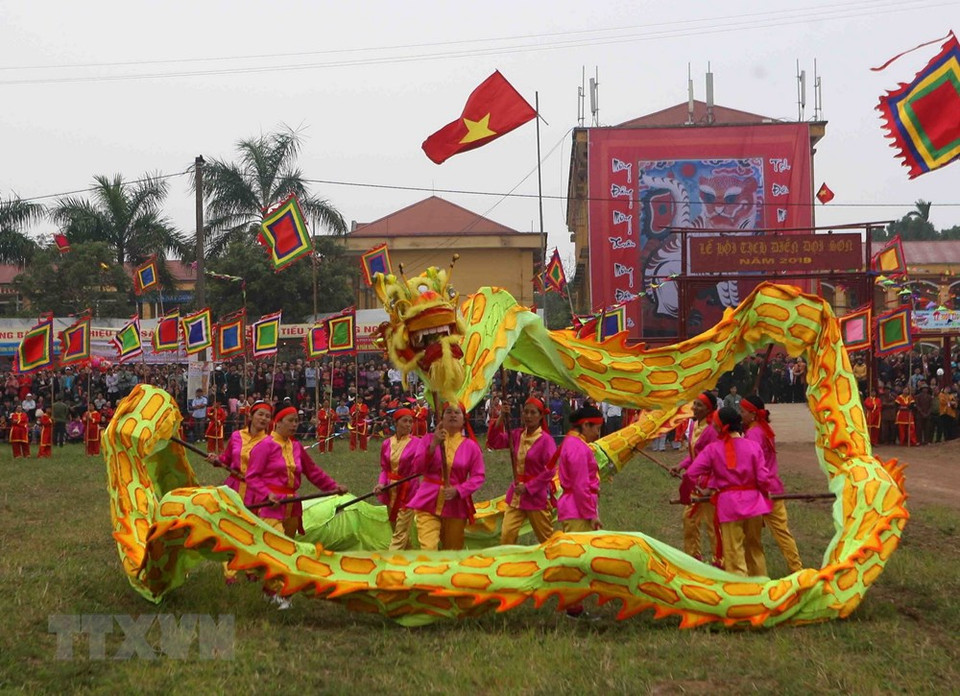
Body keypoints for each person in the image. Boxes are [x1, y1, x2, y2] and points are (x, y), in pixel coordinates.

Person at [245, 406, 348, 609]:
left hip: (292, 507)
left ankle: (270, 590)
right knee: (279, 549)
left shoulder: (296, 446)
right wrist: (267, 494)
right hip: (270, 506)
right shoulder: (264, 445)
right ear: (278, 422)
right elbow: (252, 476)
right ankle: (282, 592)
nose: (294, 425)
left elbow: (313, 472)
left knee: (287, 548)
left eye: (296, 421)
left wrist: (333, 487)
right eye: (290, 421)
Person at [686, 407, 773, 577]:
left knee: (734, 551)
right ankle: (761, 584)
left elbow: (690, 474)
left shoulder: (713, 449)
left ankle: (740, 588)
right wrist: (765, 494)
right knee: (755, 548)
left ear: (720, 426)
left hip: (730, 506)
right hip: (755, 505)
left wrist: (686, 493)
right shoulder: (753, 446)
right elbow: (763, 478)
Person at [406, 402, 485, 551]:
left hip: (456, 505)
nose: (453, 415)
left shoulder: (471, 447)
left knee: (452, 551)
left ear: (464, 419)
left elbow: (478, 476)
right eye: (448, 412)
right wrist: (433, 444)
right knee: (428, 548)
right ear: (441, 418)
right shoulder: (428, 439)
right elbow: (417, 468)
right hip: (428, 500)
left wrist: (459, 490)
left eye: (457, 412)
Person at [209, 400, 273, 584]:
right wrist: (217, 460)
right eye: (260, 414)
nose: (264, 418)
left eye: (267, 416)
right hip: (234, 488)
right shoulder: (236, 436)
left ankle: (251, 567)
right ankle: (230, 572)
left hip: (256, 491)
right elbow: (226, 459)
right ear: (251, 416)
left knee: (252, 531)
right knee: (231, 529)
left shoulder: (270, 442)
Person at [739, 395, 802, 573]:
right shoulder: (763, 429)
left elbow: (751, 464)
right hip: (773, 486)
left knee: (751, 536)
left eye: (742, 411)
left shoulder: (753, 434)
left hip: (760, 490)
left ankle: (754, 572)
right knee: (782, 532)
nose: (740, 414)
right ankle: (796, 569)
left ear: (752, 414)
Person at [555, 403, 604, 619]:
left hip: (575, 507)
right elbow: (580, 485)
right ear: (585, 426)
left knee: (578, 558)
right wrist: (591, 514)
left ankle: (575, 603)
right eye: (596, 429)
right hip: (577, 510)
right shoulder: (577, 447)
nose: (598, 434)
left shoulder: (573, 443)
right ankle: (573, 608)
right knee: (577, 560)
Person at [488, 397, 558, 545]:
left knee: (546, 540)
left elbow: (550, 471)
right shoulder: (517, 435)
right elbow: (494, 442)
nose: (528, 416)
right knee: (507, 535)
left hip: (536, 496)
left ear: (540, 416)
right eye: (526, 412)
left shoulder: (546, 440)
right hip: (516, 495)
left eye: (533, 413)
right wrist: (501, 417)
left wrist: (528, 487)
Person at [671, 391, 722, 567]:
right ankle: (693, 558)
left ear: (709, 409)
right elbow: (696, 455)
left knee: (712, 525)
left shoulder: (712, 429)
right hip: (696, 483)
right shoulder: (694, 425)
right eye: (694, 404)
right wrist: (681, 465)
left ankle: (720, 562)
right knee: (689, 519)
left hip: (709, 485)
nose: (694, 407)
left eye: (699, 405)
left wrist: (712, 486)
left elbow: (716, 459)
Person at [373, 408, 421, 550]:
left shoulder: (417, 443)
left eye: (410, 421)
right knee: (397, 530)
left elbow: (426, 462)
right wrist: (381, 484)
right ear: (396, 423)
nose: (408, 425)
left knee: (400, 533)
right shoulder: (386, 443)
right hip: (390, 490)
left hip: (408, 491)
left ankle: (390, 561)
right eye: (405, 421)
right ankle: (410, 555)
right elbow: (385, 468)